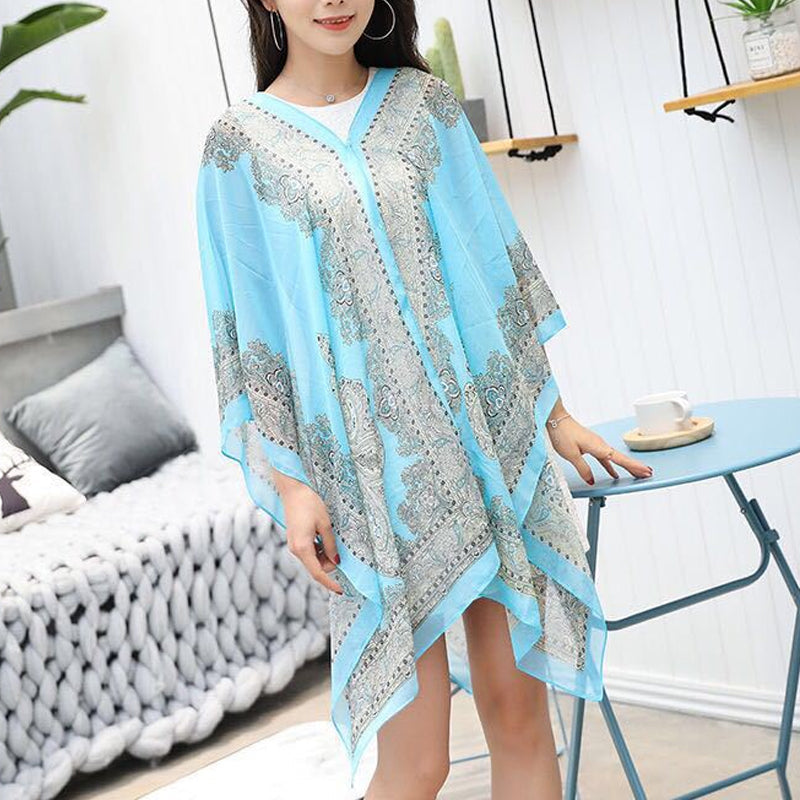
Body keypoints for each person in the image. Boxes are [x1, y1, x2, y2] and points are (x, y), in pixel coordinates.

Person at [195, 1, 654, 798]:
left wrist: (553, 415)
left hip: (483, 450)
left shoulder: (424, 106)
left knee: (521, 723)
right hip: (367, 483)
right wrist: (293, 486)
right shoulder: (239, 149)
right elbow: (250, 335)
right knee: (417, 764)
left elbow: (492, 265)